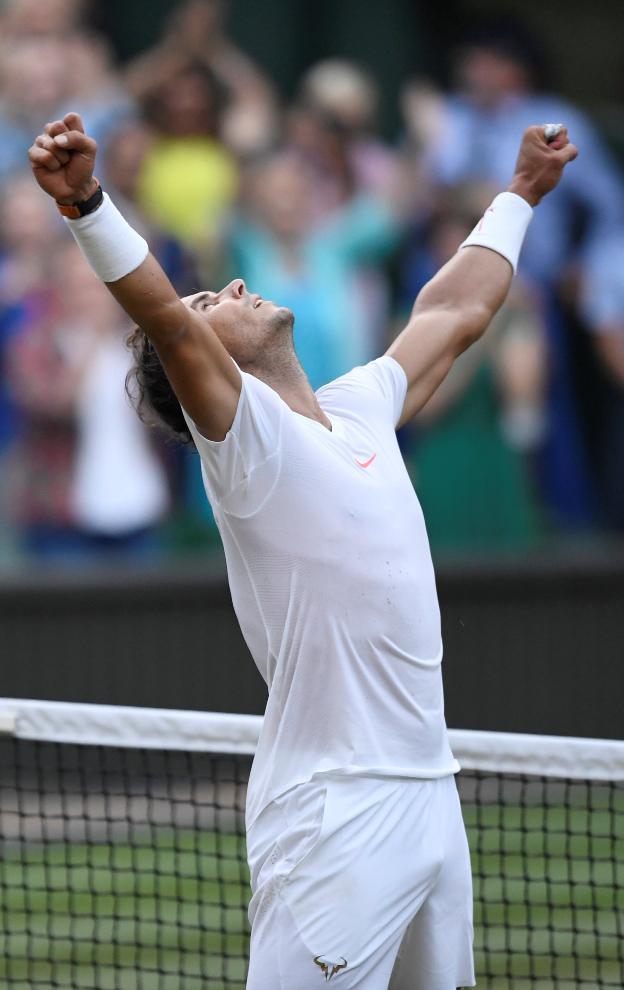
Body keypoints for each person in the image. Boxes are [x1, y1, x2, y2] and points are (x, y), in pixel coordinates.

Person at [28, 111, 577, 989]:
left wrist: (518, 194)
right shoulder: (249, 448)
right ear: (208, 361)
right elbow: (167, 323)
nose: (233, 284)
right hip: (335, 812)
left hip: (433, 797)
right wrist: (88, 204)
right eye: (211, 302)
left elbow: (457, 309)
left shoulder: (357, 408)